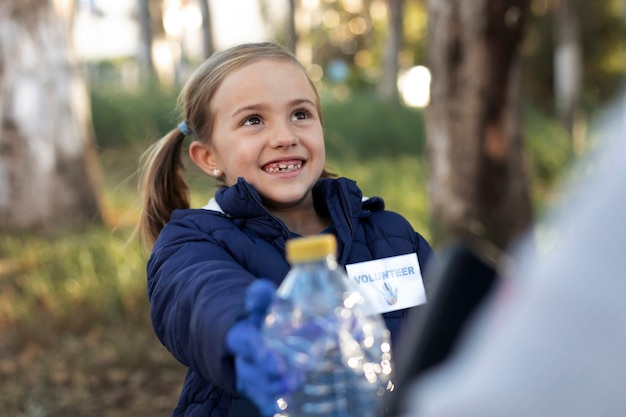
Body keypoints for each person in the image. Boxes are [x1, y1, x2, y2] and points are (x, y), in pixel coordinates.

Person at [137, 41, 435, 417]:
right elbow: (199, 295)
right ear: (209, 157)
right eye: (253, 121)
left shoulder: (390, 235)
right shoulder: (193, 242)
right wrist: (245, 330)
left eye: (300, 114)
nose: (284, 137)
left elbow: (453, 336)